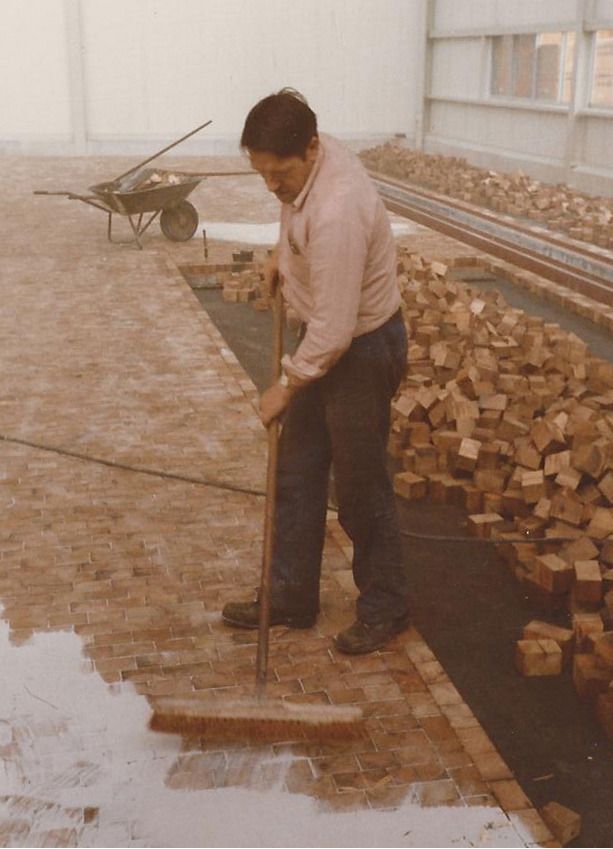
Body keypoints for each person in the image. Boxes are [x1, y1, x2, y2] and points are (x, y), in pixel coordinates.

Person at [222, 88, 410, 654]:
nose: (271, 185)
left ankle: (386, 607)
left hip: (362, 349)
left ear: (309, 148)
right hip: (329, 342)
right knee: (297, 472)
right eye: (262, 174)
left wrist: (285, 386)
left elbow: (333, 332)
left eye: (278, 173)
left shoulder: (338, 209)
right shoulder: (308, 163)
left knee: (358, 489)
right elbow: (290, 207)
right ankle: (290, 596)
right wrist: (283, 253)